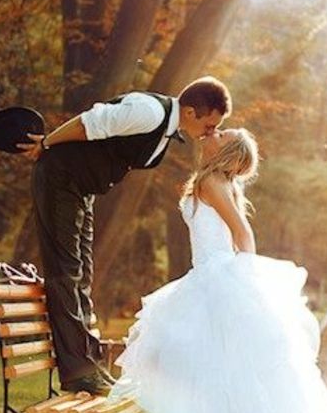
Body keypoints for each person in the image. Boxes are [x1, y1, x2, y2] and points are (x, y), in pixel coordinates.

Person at [109, 127, 327, 413]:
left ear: (228, 150)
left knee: (211, 375)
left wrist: (246, 277)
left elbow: (242, 232)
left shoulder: (211, 182)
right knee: (209, 376)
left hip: (216, 277)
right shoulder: (214, 180)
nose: (215, 131)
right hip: (205, 277)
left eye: (224, 133)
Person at [19, 77, 232, 395]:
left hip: (81, 190)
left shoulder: (167, 128)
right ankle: (77, 372)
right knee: (66, 272)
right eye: (210, 124)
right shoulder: (148, 111)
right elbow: (89, 123)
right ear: (190, 112)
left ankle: (90, 364)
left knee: (82, 275)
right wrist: (46, 144)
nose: (211, 132)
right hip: (59, 179)